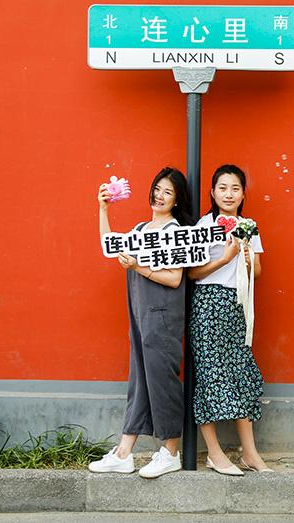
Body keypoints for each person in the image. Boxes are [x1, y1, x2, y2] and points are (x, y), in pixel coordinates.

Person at [89, 167, 191, 478]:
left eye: (168, 192)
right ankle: (124, 453)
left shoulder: (175, 232)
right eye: (157, 189)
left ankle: (171, 452)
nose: (160, 196)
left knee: (162, 380)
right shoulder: (140, 229)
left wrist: (138, 266)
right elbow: (110, 244)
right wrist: (103, 209)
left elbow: (174, 279)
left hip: (163, 316)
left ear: (176, 200)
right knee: (140, 380)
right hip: (140, 314)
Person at [188, 164, 272, 475]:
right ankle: (214, 453)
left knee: (240, 372)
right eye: (222, 188)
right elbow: (192, 274)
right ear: (212, 192)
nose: (228, 194)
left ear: (243, 194)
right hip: (208, 303)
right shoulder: (204, 226)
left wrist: (247, 259)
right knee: (208, 374)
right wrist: (224, 258)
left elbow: (258, 272)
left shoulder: (249, 226)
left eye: (235, 188)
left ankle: (250, 453)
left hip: (239, 305)